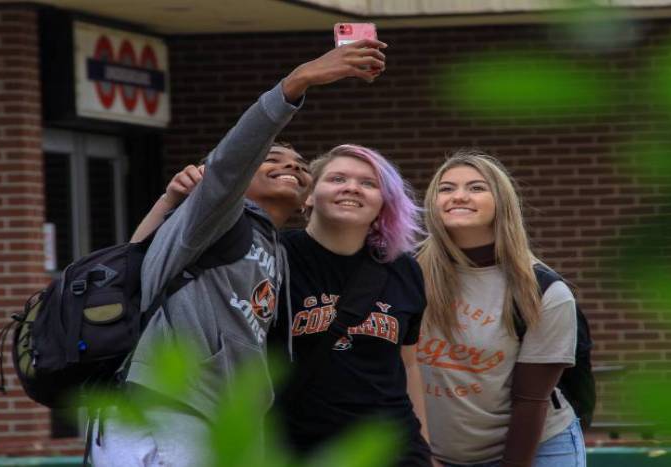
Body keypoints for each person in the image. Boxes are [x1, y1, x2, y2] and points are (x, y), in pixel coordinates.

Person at [90, 39, 388, 467]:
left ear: (306, 201)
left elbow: (143, 260)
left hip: (219, 418)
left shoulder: (275, 247)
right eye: (272, 157)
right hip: (166, 405)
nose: (292, 166)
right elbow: (232, 158)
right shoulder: (219, 215)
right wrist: (297, 82)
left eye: (302, 165)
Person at [416, 148, 586, 467]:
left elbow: (530, 401)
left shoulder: (543, 290)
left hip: (535, 445)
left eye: (477, 187)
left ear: (502, 202)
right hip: (432, 452)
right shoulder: (407, 274)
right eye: (446, 188)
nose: (459, 196)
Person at [272, 144, 433, 466]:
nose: (351, 188)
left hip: (393, 449)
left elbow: (409, 363)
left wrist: (425, 446)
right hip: (300, 448)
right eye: (337, 178)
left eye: (368, 183)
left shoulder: (403, 268)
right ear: (308, 195)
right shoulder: (274, 258)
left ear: (383, 203)